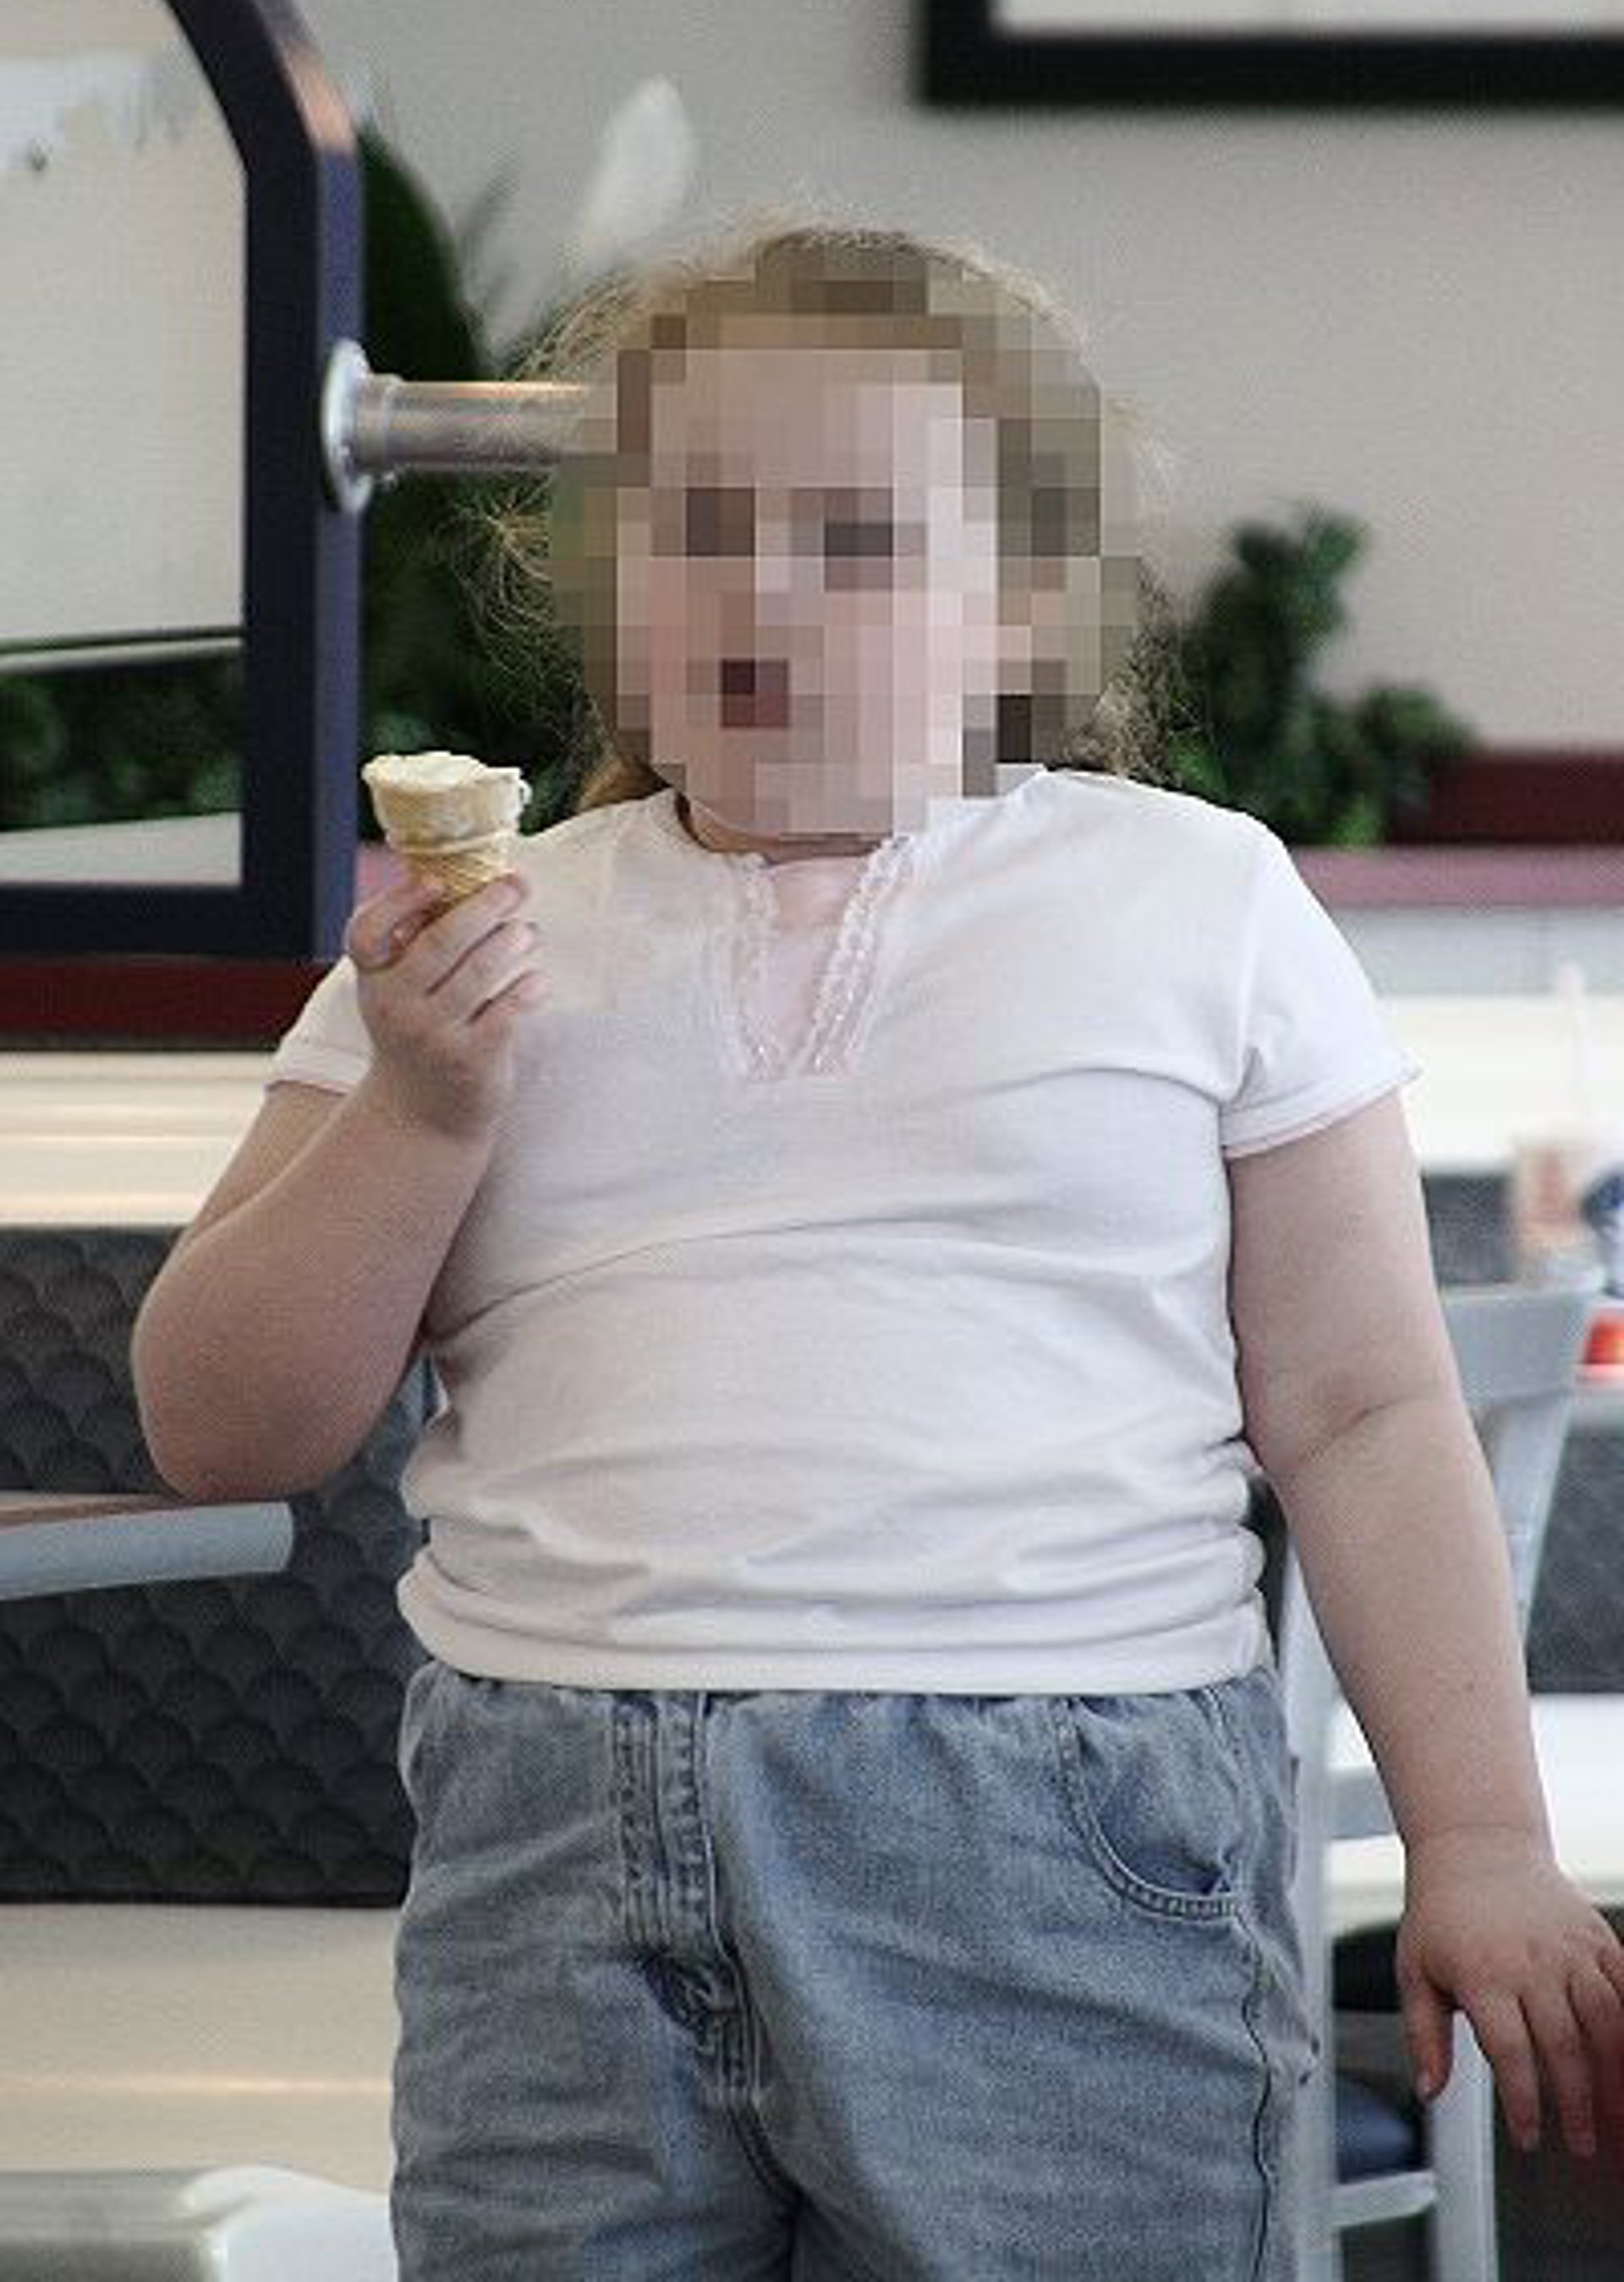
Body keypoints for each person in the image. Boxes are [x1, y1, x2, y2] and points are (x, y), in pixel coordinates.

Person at [131, 218, 1624, 2280]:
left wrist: (1482, 1839)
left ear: (1018, 607)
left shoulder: (1198, 904)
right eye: (696, 527)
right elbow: (221, 1426)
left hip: (1058, 1833)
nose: (762, 587)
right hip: (548, 1847)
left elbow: (1366, 1412)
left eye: (853, 538)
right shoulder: (471, 953)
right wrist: (422, 1112)